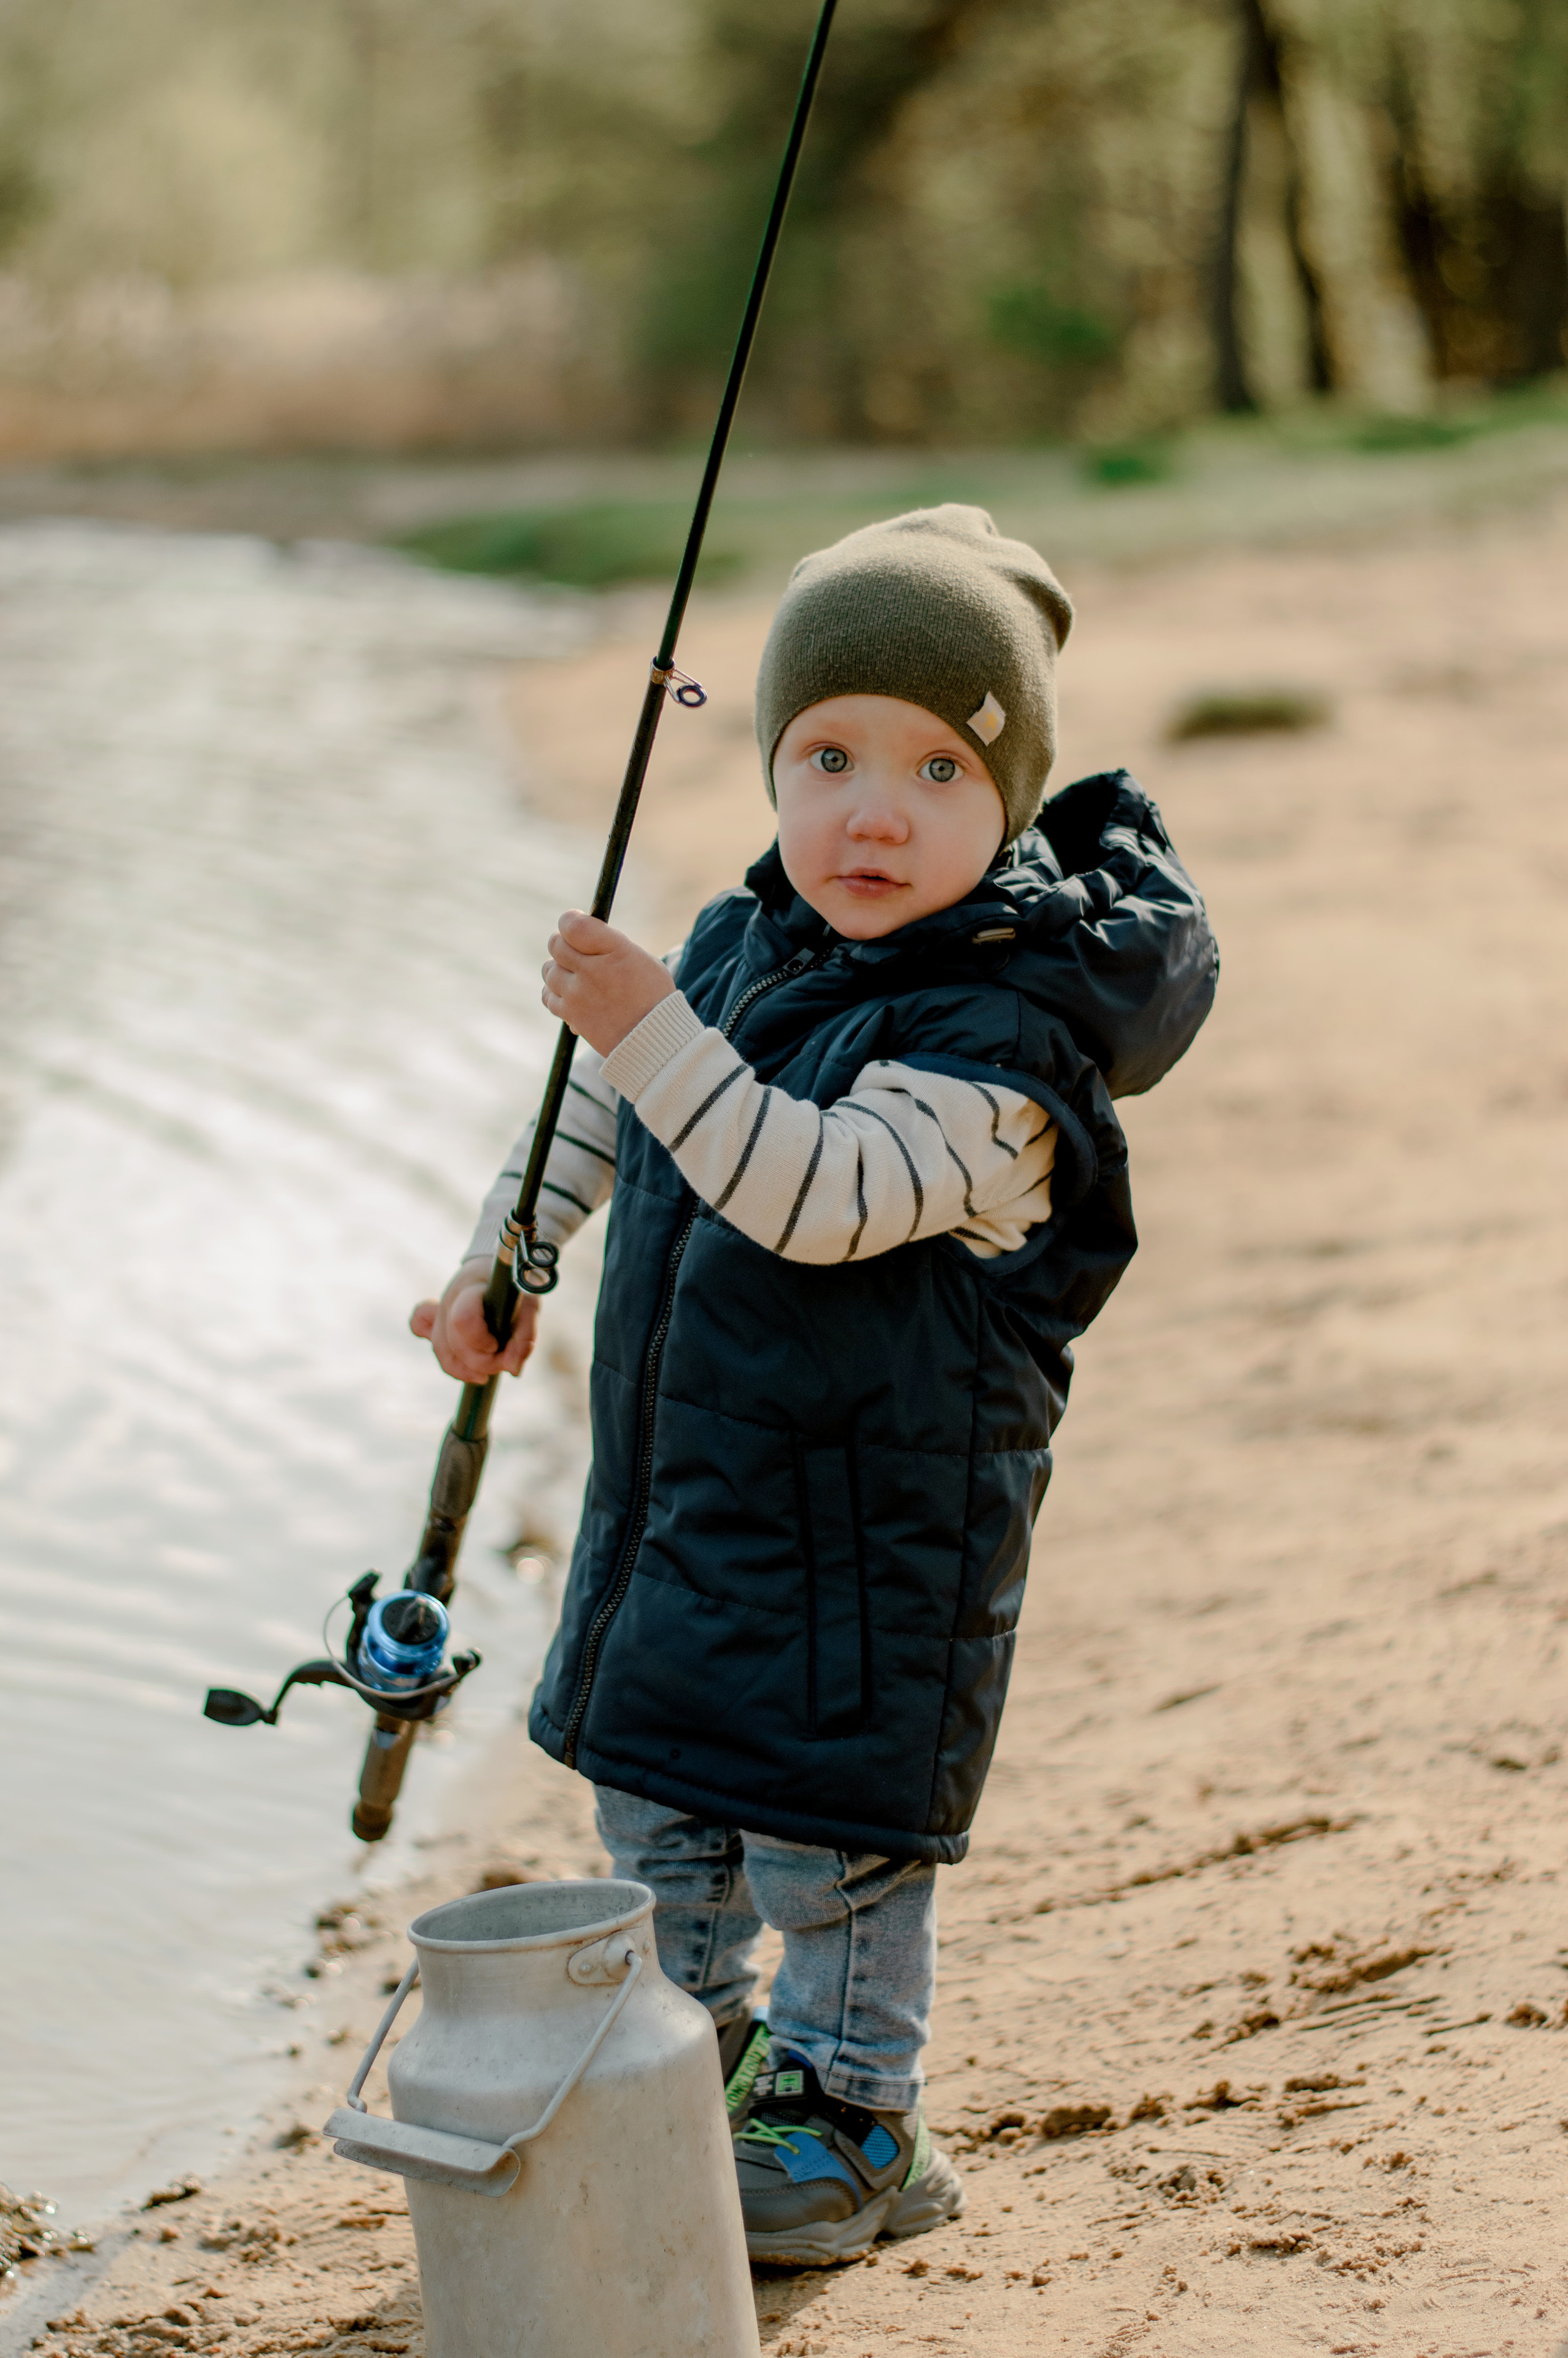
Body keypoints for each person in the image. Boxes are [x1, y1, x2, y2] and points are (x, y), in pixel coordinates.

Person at [411, 505, 1217, 2266]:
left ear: (1010, 802)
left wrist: (649, 1026)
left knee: (825, 1851)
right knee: (661, 1808)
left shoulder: (1005, 1040)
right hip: (688, 1504)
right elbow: (593, 1115)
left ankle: (857, 2117)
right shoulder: (743, 942)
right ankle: (693, 2065)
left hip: (875, 1556)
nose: (874, 812)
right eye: (828, 757)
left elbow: (817, 1194)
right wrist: (502, 1255)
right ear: (772, 764)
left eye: (939, 769)